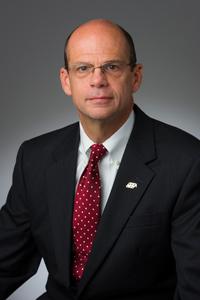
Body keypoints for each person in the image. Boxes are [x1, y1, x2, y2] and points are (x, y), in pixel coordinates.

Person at [0, 18, 200, 300]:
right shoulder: (35, 158)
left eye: (112, 67)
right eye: (83, 68)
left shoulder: (187, 162)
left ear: (136, 76)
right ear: (66, 81)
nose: (97, 80)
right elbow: (6, 260)